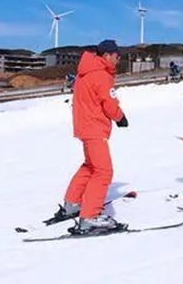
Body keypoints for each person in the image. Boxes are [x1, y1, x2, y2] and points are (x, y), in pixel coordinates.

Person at [53, 39, 129, 234]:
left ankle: (72, 204)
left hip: (84, 126)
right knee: (104, 171)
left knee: (90, 166)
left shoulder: (84, 73)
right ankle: (90, 217)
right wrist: (120, 118)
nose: (118, 60)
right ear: (107, 55)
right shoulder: (101, 75)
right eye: (116, 56)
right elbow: (109, 102)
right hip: (95, 128)